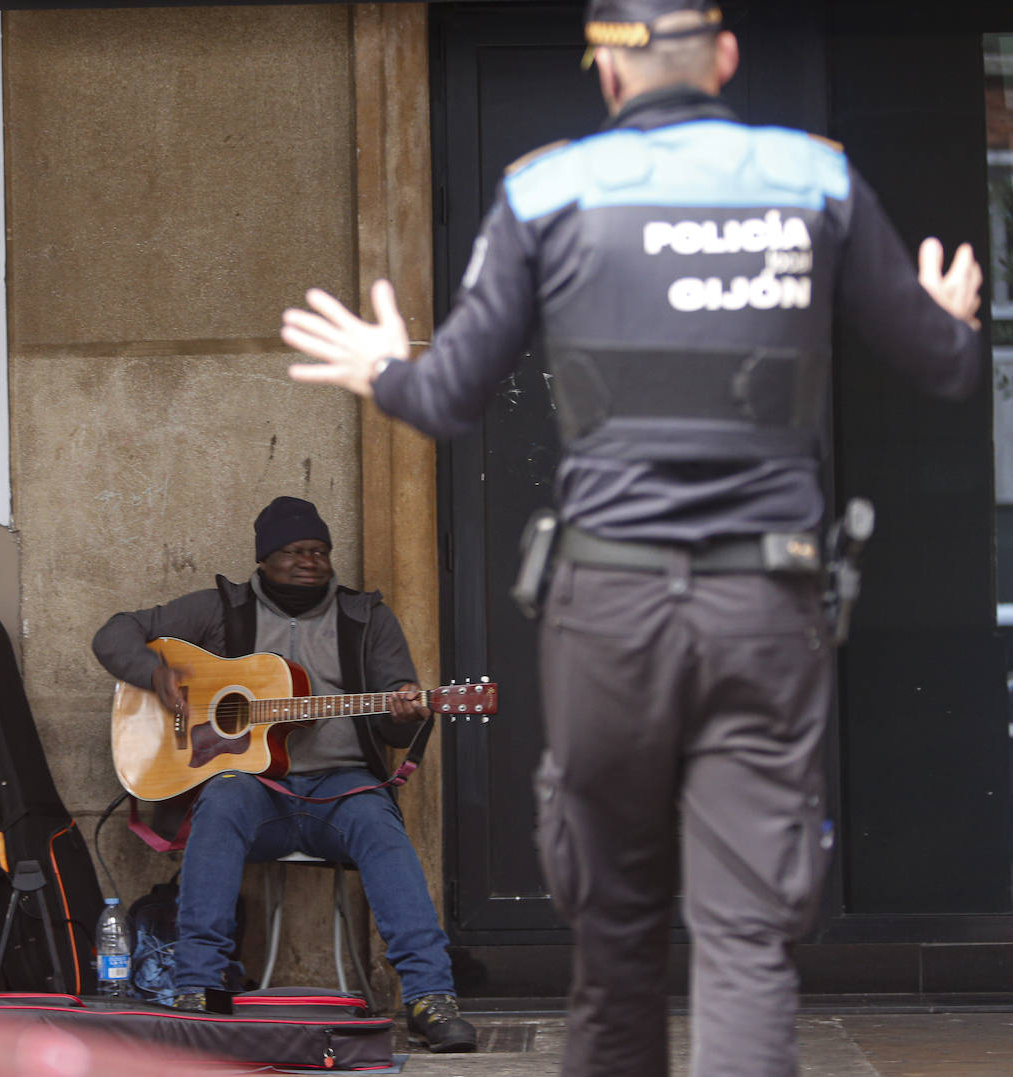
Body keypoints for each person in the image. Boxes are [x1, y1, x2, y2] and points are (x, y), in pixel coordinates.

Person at [279, 3, 984, 1075]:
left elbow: (448, 395)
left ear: (607, 76)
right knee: (747, 943)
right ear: (728, 60)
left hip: (607, 612)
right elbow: (940, 366)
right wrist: (951, 313)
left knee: (613, 943)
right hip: (766, 607)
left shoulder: (545, 190)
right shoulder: (814, 180)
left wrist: (383, 365)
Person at [91, 495, 477, 1053]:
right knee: (220, 804)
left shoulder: (366, 618)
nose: (310, 561)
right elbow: (115, 633)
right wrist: (155, 673)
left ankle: (430, 998)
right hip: (255, 792)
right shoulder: (221, 610)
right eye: (295, 551)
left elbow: (395, 726)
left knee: (380, 824)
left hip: (341, 789)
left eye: (319, 551)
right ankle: (196, 987)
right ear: (265, 558)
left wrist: (407, 710)